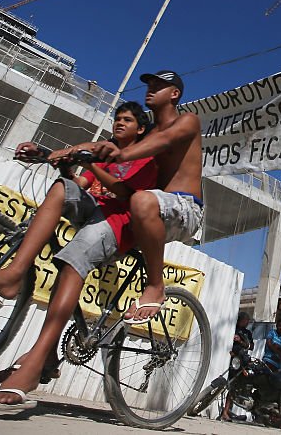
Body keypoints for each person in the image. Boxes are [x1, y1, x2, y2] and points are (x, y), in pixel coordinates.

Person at [0, 102, 158, 408]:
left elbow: (124, 195)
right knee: (61, 188)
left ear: (141, 128)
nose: (119, 123)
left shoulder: (144, 158)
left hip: (119, 224)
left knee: (72, 259)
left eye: (127, 120)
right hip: (93, 214)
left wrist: (90, 164)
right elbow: (79, 185)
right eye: (117, 118)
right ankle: (13, 275)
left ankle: (38, 360)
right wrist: (56, 162)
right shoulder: (104, 153)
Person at [78, 70, 203, 323]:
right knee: (82, 249)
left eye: (159, 85)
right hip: (150, 212)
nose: (151, 89)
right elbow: (108, 146)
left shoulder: (188, 120)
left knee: (142, 199)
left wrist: (122, 155)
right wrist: (61, 152)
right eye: (149, 85)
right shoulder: (145, 137)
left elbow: (163, 141)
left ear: (174, 94)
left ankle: (156, 286)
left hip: (185, 208)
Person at [219, 311, 254, 422]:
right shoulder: (232, 328)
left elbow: (251, 346)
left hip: (240, 361)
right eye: (245, 320)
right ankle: (225, 411)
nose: (247, 322)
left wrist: (242, 342)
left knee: (235, 387)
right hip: (231, 358)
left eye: (248, 321)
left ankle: (227, 410)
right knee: (228, 384)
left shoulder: (247, 333)